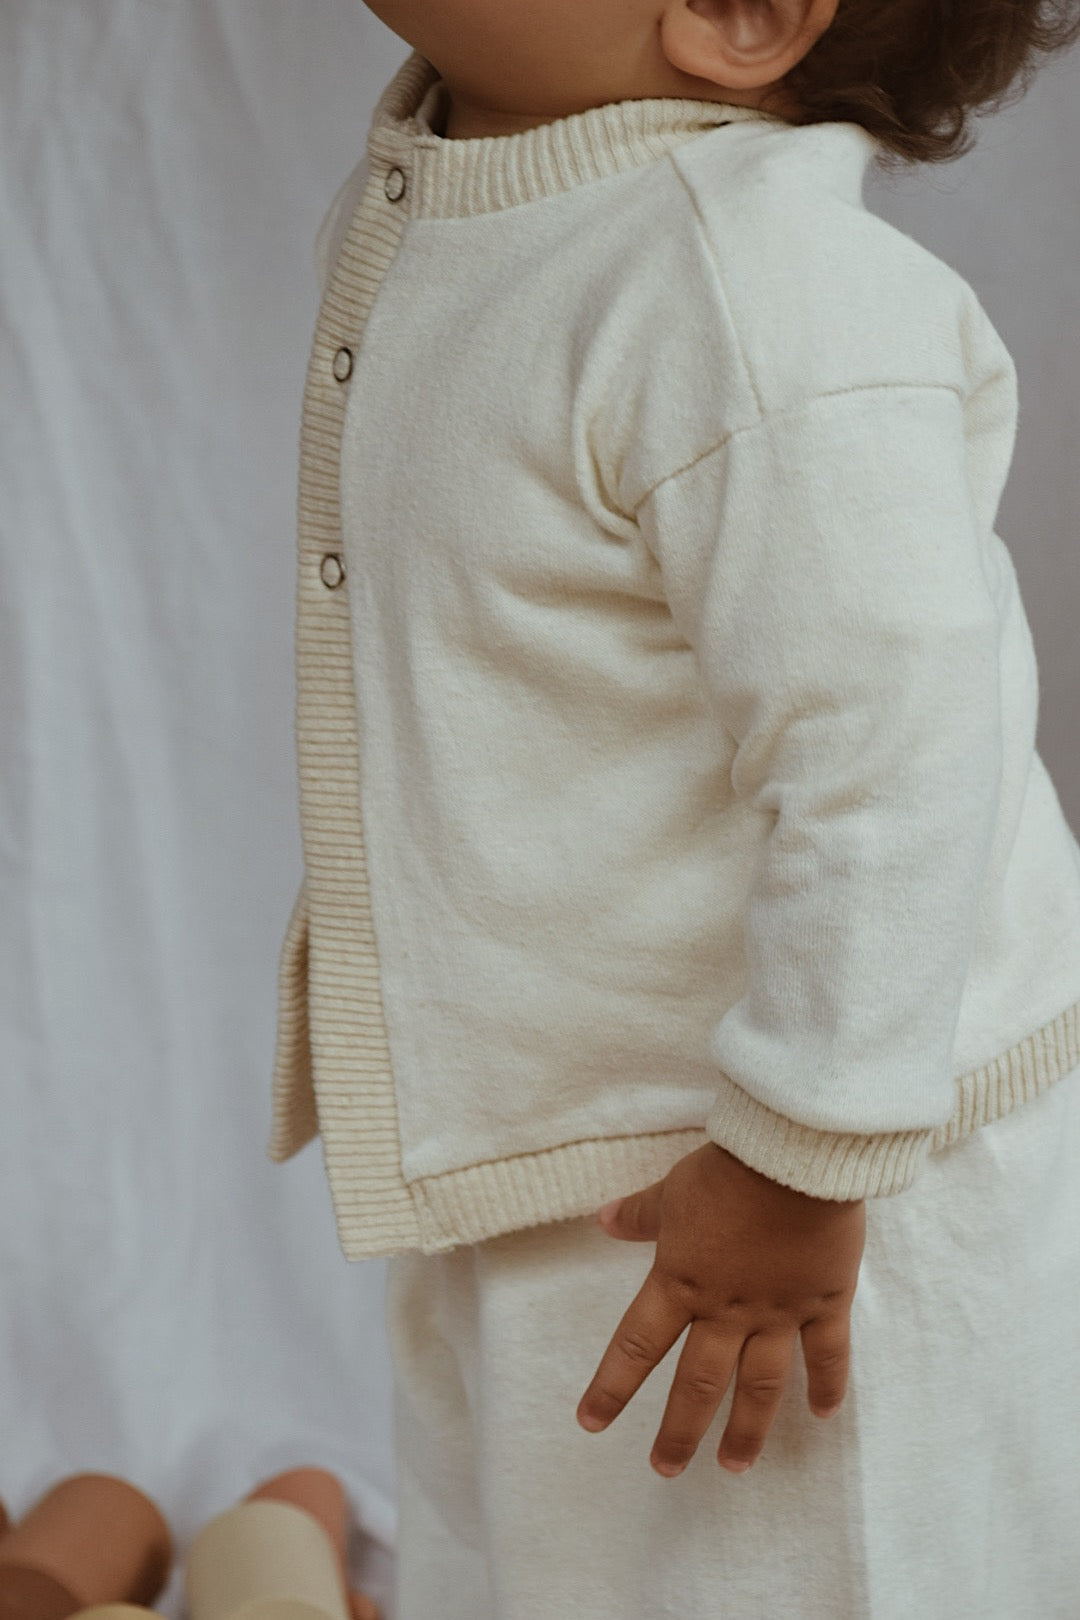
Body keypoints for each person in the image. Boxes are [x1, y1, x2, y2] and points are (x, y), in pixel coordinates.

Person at [266, 1, 1080, 1614]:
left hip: (818, 1181)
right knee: (544, 1563)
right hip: (561, 1141)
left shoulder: (757, 294)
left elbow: (894, 757)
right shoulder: (475, 192)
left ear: (737, 15)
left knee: (828, 1568)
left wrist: (803, 1156)